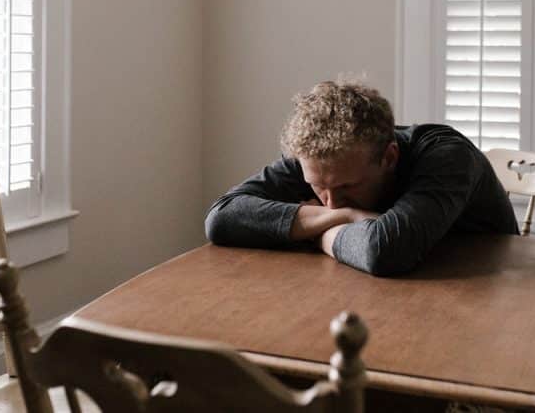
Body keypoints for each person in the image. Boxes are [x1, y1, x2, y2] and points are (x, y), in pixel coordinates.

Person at [204, 79, 518, 276]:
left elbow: (385, 251)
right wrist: (348, 215)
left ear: (389, 157)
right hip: (384, 290)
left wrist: (317, 233)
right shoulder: (320, 159)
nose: (331, 202)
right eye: (318, 187)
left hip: (494, 293)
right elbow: (221, 218)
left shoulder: (447, 156)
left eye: (347, 188)